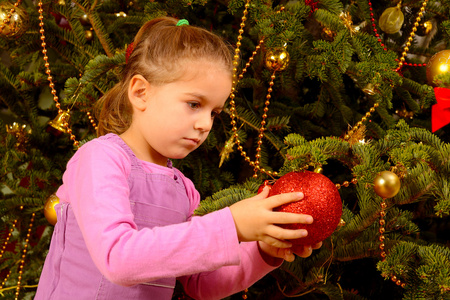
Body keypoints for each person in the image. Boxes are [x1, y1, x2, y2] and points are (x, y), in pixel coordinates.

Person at [35, 17, 322, 300]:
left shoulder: (182, 190)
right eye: (194, 104)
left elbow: (204, 283)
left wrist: (263, 250)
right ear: (140, 92)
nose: (205, 124)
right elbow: (117, 258)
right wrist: (231, 225)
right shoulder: (100, 159)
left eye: (214, 112)